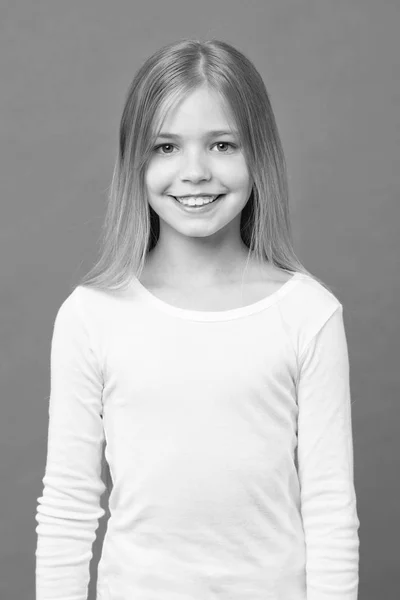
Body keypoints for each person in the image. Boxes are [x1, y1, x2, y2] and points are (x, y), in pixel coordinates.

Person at [35, 39, 360, 600]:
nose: (195, 172)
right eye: (165, 146)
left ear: (259, 155)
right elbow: (68, 505)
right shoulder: (91, 316)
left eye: (222, 144)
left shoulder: (309, 314)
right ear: (135, 159)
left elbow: (330, 509)